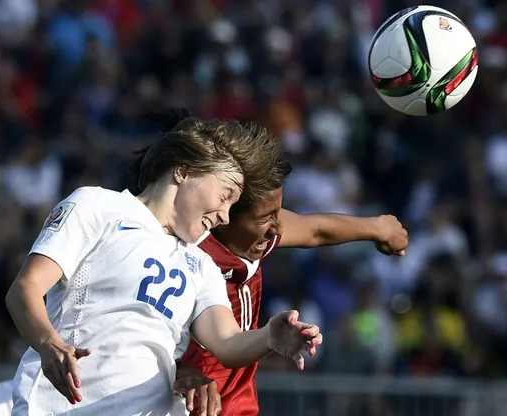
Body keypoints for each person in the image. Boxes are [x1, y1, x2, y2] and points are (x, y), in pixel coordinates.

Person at [5, 117, 324, 416]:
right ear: (183, 171)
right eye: (224, 196)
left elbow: (227, 342)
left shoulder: (202, 265)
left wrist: (268, 337)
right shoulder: (98, 206)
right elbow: (25, 289)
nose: (225, 217)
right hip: (63, 407)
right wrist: (48, 342)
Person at [140, 109, 409, 416]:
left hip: (239, 406)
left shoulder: (255, 238)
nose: (278, 227)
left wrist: (378, 227)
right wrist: (180, 369)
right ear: (224, 214)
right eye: (266, 217)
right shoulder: (182, 256)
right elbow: (136, 331)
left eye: (278, 213)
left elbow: (316, 230)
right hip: (181, 407)